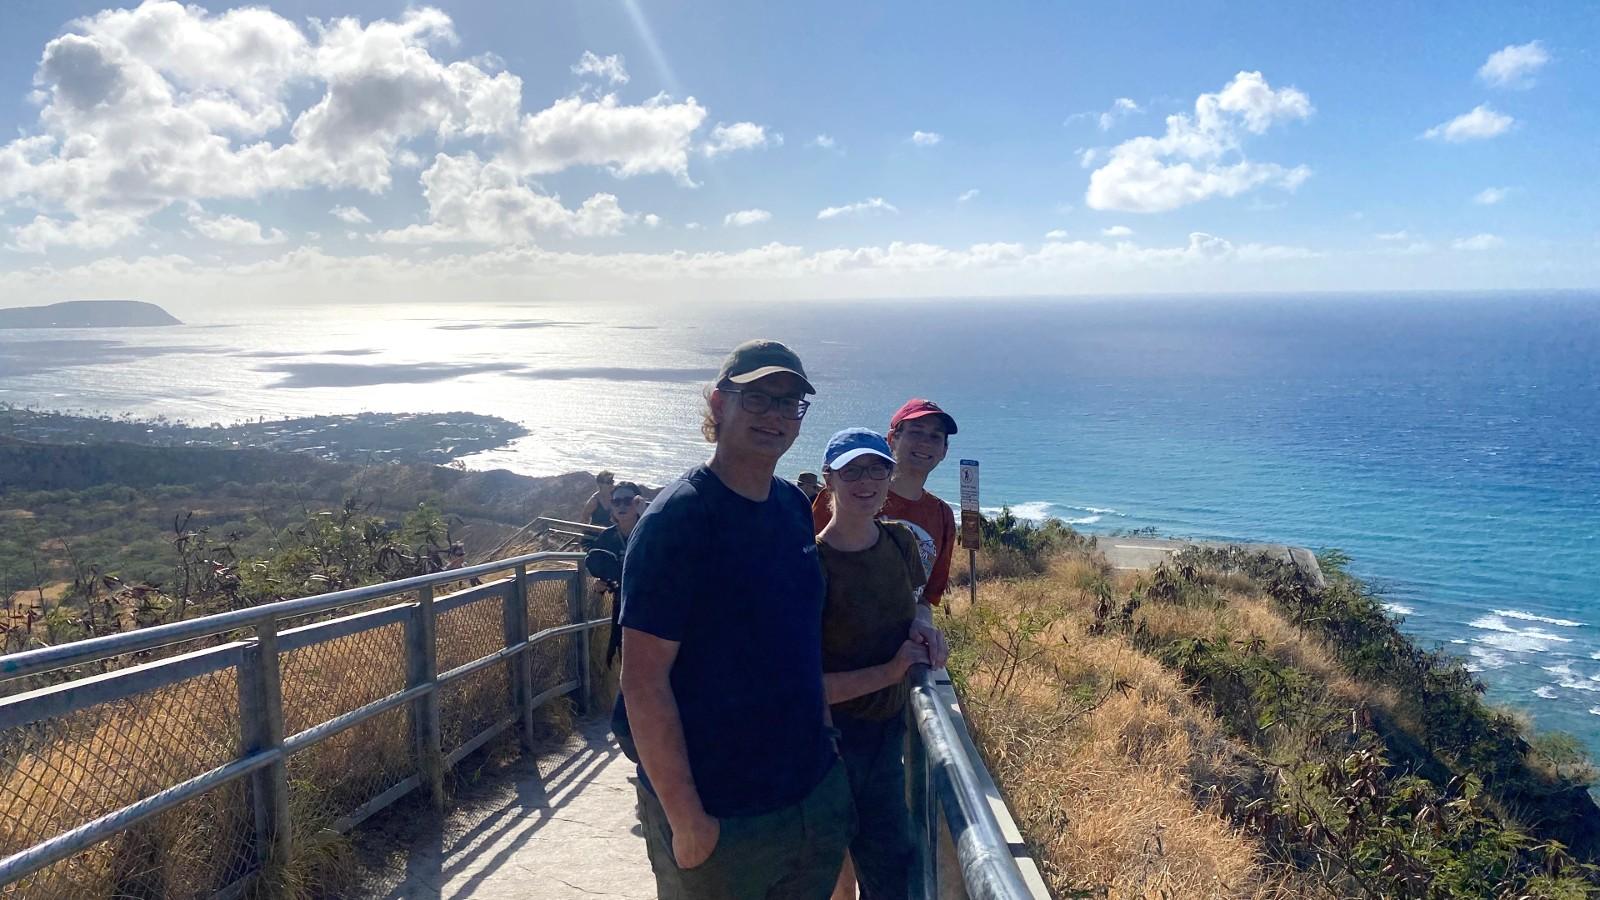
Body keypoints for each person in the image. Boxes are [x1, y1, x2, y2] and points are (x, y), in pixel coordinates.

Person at [615, 339, 854, 899]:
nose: (775, 415)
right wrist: (687, 820)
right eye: (758, 399)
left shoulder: (793, 508)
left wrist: (828, 764)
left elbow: (798, 643)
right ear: (719, 406)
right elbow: (643, 680)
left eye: (790, 403)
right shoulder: (678, 521)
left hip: (807, 794)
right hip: (723, 815)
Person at [815, 429, 941, 900]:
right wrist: (890, 672)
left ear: (890, 476)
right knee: (833, 869)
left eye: (876, 469)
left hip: (888, 734)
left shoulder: (900, 542)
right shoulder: (812, 566)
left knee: (892, 868)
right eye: (851, 470)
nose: (865, 481)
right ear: (830, 479)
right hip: (828, 744)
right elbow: (805, 686)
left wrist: (924, 627)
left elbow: (919, 602)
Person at [813, 399, 959, 608]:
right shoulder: (849, 498)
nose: (925, 442)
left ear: (944, 450)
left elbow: (926, 597)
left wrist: (923, 625)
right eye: (916, 432)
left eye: (935, 436)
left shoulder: (942, 515)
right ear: (892, 439)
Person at [592, 481, 644, 665]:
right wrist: (599, 585)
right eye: (616, 502)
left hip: (652, 609)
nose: (622, 506)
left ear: (638, 503)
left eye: (628, 501)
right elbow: (602, 567)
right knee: (627, 665)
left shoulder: (653, 532)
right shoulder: (607, 537)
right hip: (621, 610)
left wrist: (646, 516)